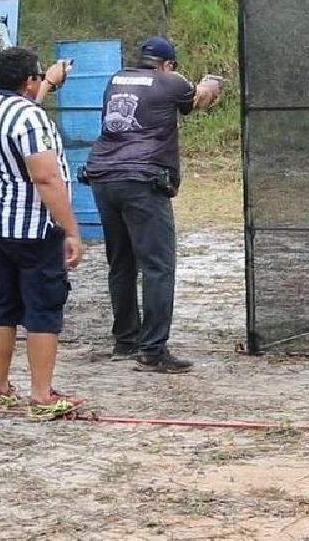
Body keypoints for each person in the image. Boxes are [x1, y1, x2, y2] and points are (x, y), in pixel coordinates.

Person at [84, 36, 222, 373]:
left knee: (121, 262)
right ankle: (153, 349)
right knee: (158, 266)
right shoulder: (171, 81)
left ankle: (126, 340)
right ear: (168, 64)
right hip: (142, 181)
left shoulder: (115, 78)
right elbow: (199, 99)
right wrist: (211, 81)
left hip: (103, 176)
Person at [0, 45, 83, 410]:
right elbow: (46, 177)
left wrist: (49, 80)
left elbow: (26, 107)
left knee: (2, 305)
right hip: (33, 228)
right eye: (37, 78)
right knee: (44, 308)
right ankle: (41, 394)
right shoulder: (30, 118)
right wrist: (71, 230)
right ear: (28, 80)